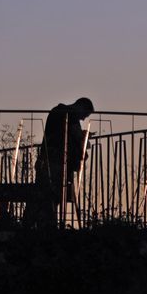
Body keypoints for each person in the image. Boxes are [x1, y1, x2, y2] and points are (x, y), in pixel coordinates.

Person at [31, 97, 94, 226]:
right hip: (57, 160)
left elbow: (61, 133)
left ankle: (39, 223)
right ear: (80, 107)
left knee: (43, 193)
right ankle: (48, 225)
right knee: (53, 194)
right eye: (85, 114)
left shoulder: (58, 111)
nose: (83, 119)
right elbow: (74, 135)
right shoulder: (70, 115)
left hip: (47, 157)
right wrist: (84, 138)